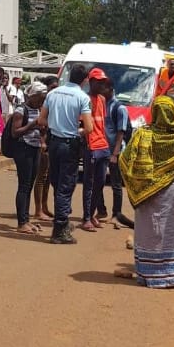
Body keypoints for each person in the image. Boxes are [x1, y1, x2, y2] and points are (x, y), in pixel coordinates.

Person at [118, 95, 174, 288]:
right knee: (173, 228)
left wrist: (138, 181)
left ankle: (149, 274)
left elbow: (125, 160)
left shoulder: (141, 135)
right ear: (173, 112)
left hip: (146, 192)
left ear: (153, 112)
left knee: (148, 230)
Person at [38, 64, 93, 244]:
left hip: (53, 142)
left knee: (57, 182)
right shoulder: (82, 97)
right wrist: (76, 131)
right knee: (66, 185)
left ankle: (62, 222)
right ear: (85, 80)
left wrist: (56, 125)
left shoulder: (53, 94)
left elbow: (41, 119)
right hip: (69, 144)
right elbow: (89, 127)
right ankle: (59, 230)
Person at [10, 80, 47, 233]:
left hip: (35, 148)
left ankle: (26, 219)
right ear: (32, 96)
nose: (43, 100)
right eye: (40, 97)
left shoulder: (39, 109)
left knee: (30, 184)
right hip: (23, 149)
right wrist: (33, 124)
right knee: (24, 186)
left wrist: (42, 134)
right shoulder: (20, 110)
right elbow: (15, 132)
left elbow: (40, 130)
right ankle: (21, 222)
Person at [81, 68, 111, 232]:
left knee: (99, 184)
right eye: (99, 82)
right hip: (91, 146)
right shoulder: (85, 100)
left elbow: (102, 124)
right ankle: (86, 218)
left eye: (103, 82)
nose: (101, 85)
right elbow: (83, 125)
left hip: (103, 146)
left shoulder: (102, 99)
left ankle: (91, 215)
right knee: (89, 184)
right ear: (91, 82)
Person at [98, 79, 130, 224]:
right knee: (98, 181)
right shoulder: (101, 104)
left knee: (116, 184)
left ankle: (116, 214)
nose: (100, 90)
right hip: (101, 148)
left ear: (110, 89)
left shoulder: (119, 108)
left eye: (103, 88)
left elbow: (120, 132)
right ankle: (101, 210)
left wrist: (115, 154)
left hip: (114, 151)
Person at [33, 74, 57, 223]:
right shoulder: (43, 103)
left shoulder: (52, 102)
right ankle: (37, 210)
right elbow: (40, 124)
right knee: (41, 177)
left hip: (51, 141)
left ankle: (44, 206)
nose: (55, 90)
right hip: (42, 142)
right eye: (52, 88)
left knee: (48, 177)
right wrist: (43, 142)